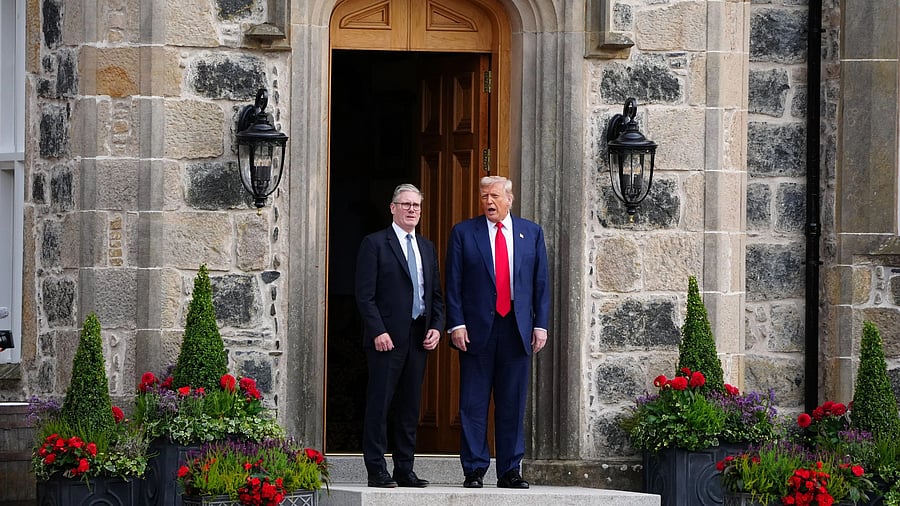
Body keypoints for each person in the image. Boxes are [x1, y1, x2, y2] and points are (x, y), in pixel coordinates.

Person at [445, 175, 550, 489]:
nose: (488, 202)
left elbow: (540, 284)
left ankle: (509, 470)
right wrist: (457, 324)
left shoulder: (530, 233)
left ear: (509, 199)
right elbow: (453, 283)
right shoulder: (464, 233)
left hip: (517, 329)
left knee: (512, 403)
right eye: (483, 196)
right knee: (473, 404)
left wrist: (540, 325)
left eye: (493, 196)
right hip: (477, 330)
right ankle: (474, 469)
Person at [355, 183, 445, 488]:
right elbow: (364, 295)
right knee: (380, 405)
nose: (411, 210)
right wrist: (378, 330)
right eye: (405, 204)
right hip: (386, 340)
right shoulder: (375, 243)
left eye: (416, 206)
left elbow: (435, 295)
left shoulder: (428, 248)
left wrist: (436, 326)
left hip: (419, 337)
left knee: (410, 406)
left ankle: (405, 468)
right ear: (392, 208)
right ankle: (376, 469)